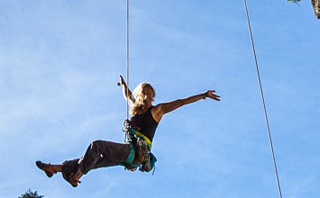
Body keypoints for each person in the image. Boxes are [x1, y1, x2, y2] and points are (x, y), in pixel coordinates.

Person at [35, 76, 219, 187]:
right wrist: (124, 85)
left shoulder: (156, 111)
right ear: (142, 96)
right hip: (128, 154)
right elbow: (128, 96)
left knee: (96, 146)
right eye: (146, 95)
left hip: (136, 153)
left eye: (151, 96)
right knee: (91, 160)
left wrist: (203, 95)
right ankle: (56, 168)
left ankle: (76, 176)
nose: (149, 99)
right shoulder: (135, 108)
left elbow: (181, 101)